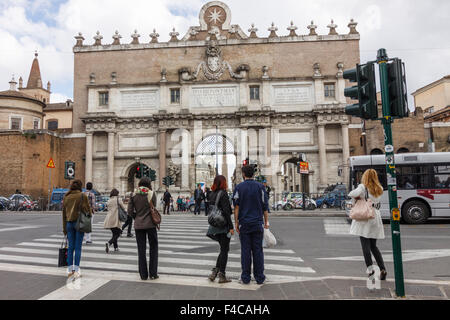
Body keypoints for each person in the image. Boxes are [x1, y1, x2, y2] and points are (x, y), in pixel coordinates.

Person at [233, 165, 269, 285]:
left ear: (243, 174)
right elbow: (265, 206)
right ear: (253, 174)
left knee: (246, 251)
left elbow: (236, 207)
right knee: (258, 251)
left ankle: (245, 277)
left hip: (245, 223)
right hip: (258, 223)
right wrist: (266, 222)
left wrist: (236, 223)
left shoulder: (239, 187)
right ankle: (260, 277)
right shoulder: (260, 187)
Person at [348, 169, 387, 281]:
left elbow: (351, 194)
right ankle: (383, 269)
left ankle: (371, 271)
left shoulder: (362, 187)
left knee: (365, 247)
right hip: (375, 216)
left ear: (365, 177)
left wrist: (358, 196)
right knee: (374, 247)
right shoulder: (379, 188)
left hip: (365, 217)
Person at [127, 177, 159, 280]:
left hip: (138, 225)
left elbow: (130, 211)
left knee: (141, 250)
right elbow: (154, 206)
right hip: (150, 225)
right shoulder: (151, 193)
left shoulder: (133, 194)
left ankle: (143, 274)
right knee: (153, 248)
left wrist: (136, 217)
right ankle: (153, 273)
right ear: (149, 184)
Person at [206, 175, 234, 283]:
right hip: (223, 225)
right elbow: (226, 212)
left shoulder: (212, 193)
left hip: (214, 225)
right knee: (225, 250)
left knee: (223, 249)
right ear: (223, 183)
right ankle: (222, 275)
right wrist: (231, 227)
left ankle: (215, 272)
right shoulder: (223, 193)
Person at [62, 179, 91, 279]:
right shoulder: (82, 196)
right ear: (80, 186)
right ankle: (77, 271)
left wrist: (64, 229)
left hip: (69, 224)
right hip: (79, 224)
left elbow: (64, 215)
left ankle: (70, 271)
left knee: (70, 248)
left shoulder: (66, 196)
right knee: (78, 248)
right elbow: (88, 211)